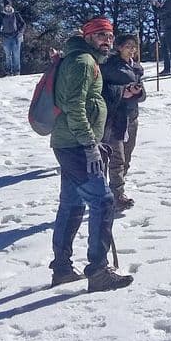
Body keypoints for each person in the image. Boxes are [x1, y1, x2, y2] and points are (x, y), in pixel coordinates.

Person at [49, 17, 134, 292]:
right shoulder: (83, 63)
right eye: (99, 35)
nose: (106, 40)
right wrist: (89, 144)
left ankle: (62, 268)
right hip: (76, 145)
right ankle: (97, 270)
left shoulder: (81, 59)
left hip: (69, 143)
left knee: (72, 204)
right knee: (104, 201)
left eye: (109, 35)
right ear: (87, 37)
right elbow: (74, 105)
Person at [101, 34, 146, 210]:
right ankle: (116, 195)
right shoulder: (108, 65)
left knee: (126, 157)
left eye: (134, 47)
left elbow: (142, 94)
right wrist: (122, 91)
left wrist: (138, 92)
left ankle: (113, 191)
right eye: (128, 46)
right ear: (119, 47)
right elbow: (101, 88)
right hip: (114, 117)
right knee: (116, 158)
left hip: (131, 117)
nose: (132, 50)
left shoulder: (136, 68)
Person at [0, 2, 26, 76]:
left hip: (16, 37)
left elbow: (23, 24)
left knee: (16, 54)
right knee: (8, 55)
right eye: (6, 6)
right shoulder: (2, 15)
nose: (8, 8)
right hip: (5, 37)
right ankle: (9, 72)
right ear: (4, 7)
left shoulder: (16, 14)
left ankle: (17, 72)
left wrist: (20, 32)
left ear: (11, 6)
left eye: (9, 6)